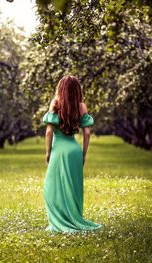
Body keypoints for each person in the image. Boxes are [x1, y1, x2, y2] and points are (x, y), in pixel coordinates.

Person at [42, 75, 103, 233]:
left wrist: (48, 152)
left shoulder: (55, 103)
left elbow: (49, 132)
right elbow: (87, 133)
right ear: (77, 90)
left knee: (51, 188)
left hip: (59, 149)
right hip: (74, 150)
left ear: (60, 88)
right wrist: (83, 154)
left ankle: (59, 220)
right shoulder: (81, 106)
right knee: (73, 188)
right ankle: (74, 218)